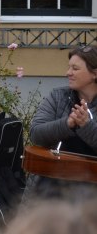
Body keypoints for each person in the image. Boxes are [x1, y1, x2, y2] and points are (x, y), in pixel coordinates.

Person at [24, 45, 97, 199]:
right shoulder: (58, 97)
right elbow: (36, 134)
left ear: (94, 74)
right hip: (51, 186)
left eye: (75, 68)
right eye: (69, 67)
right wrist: (67, 123)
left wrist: (86, 125)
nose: (68, 73)